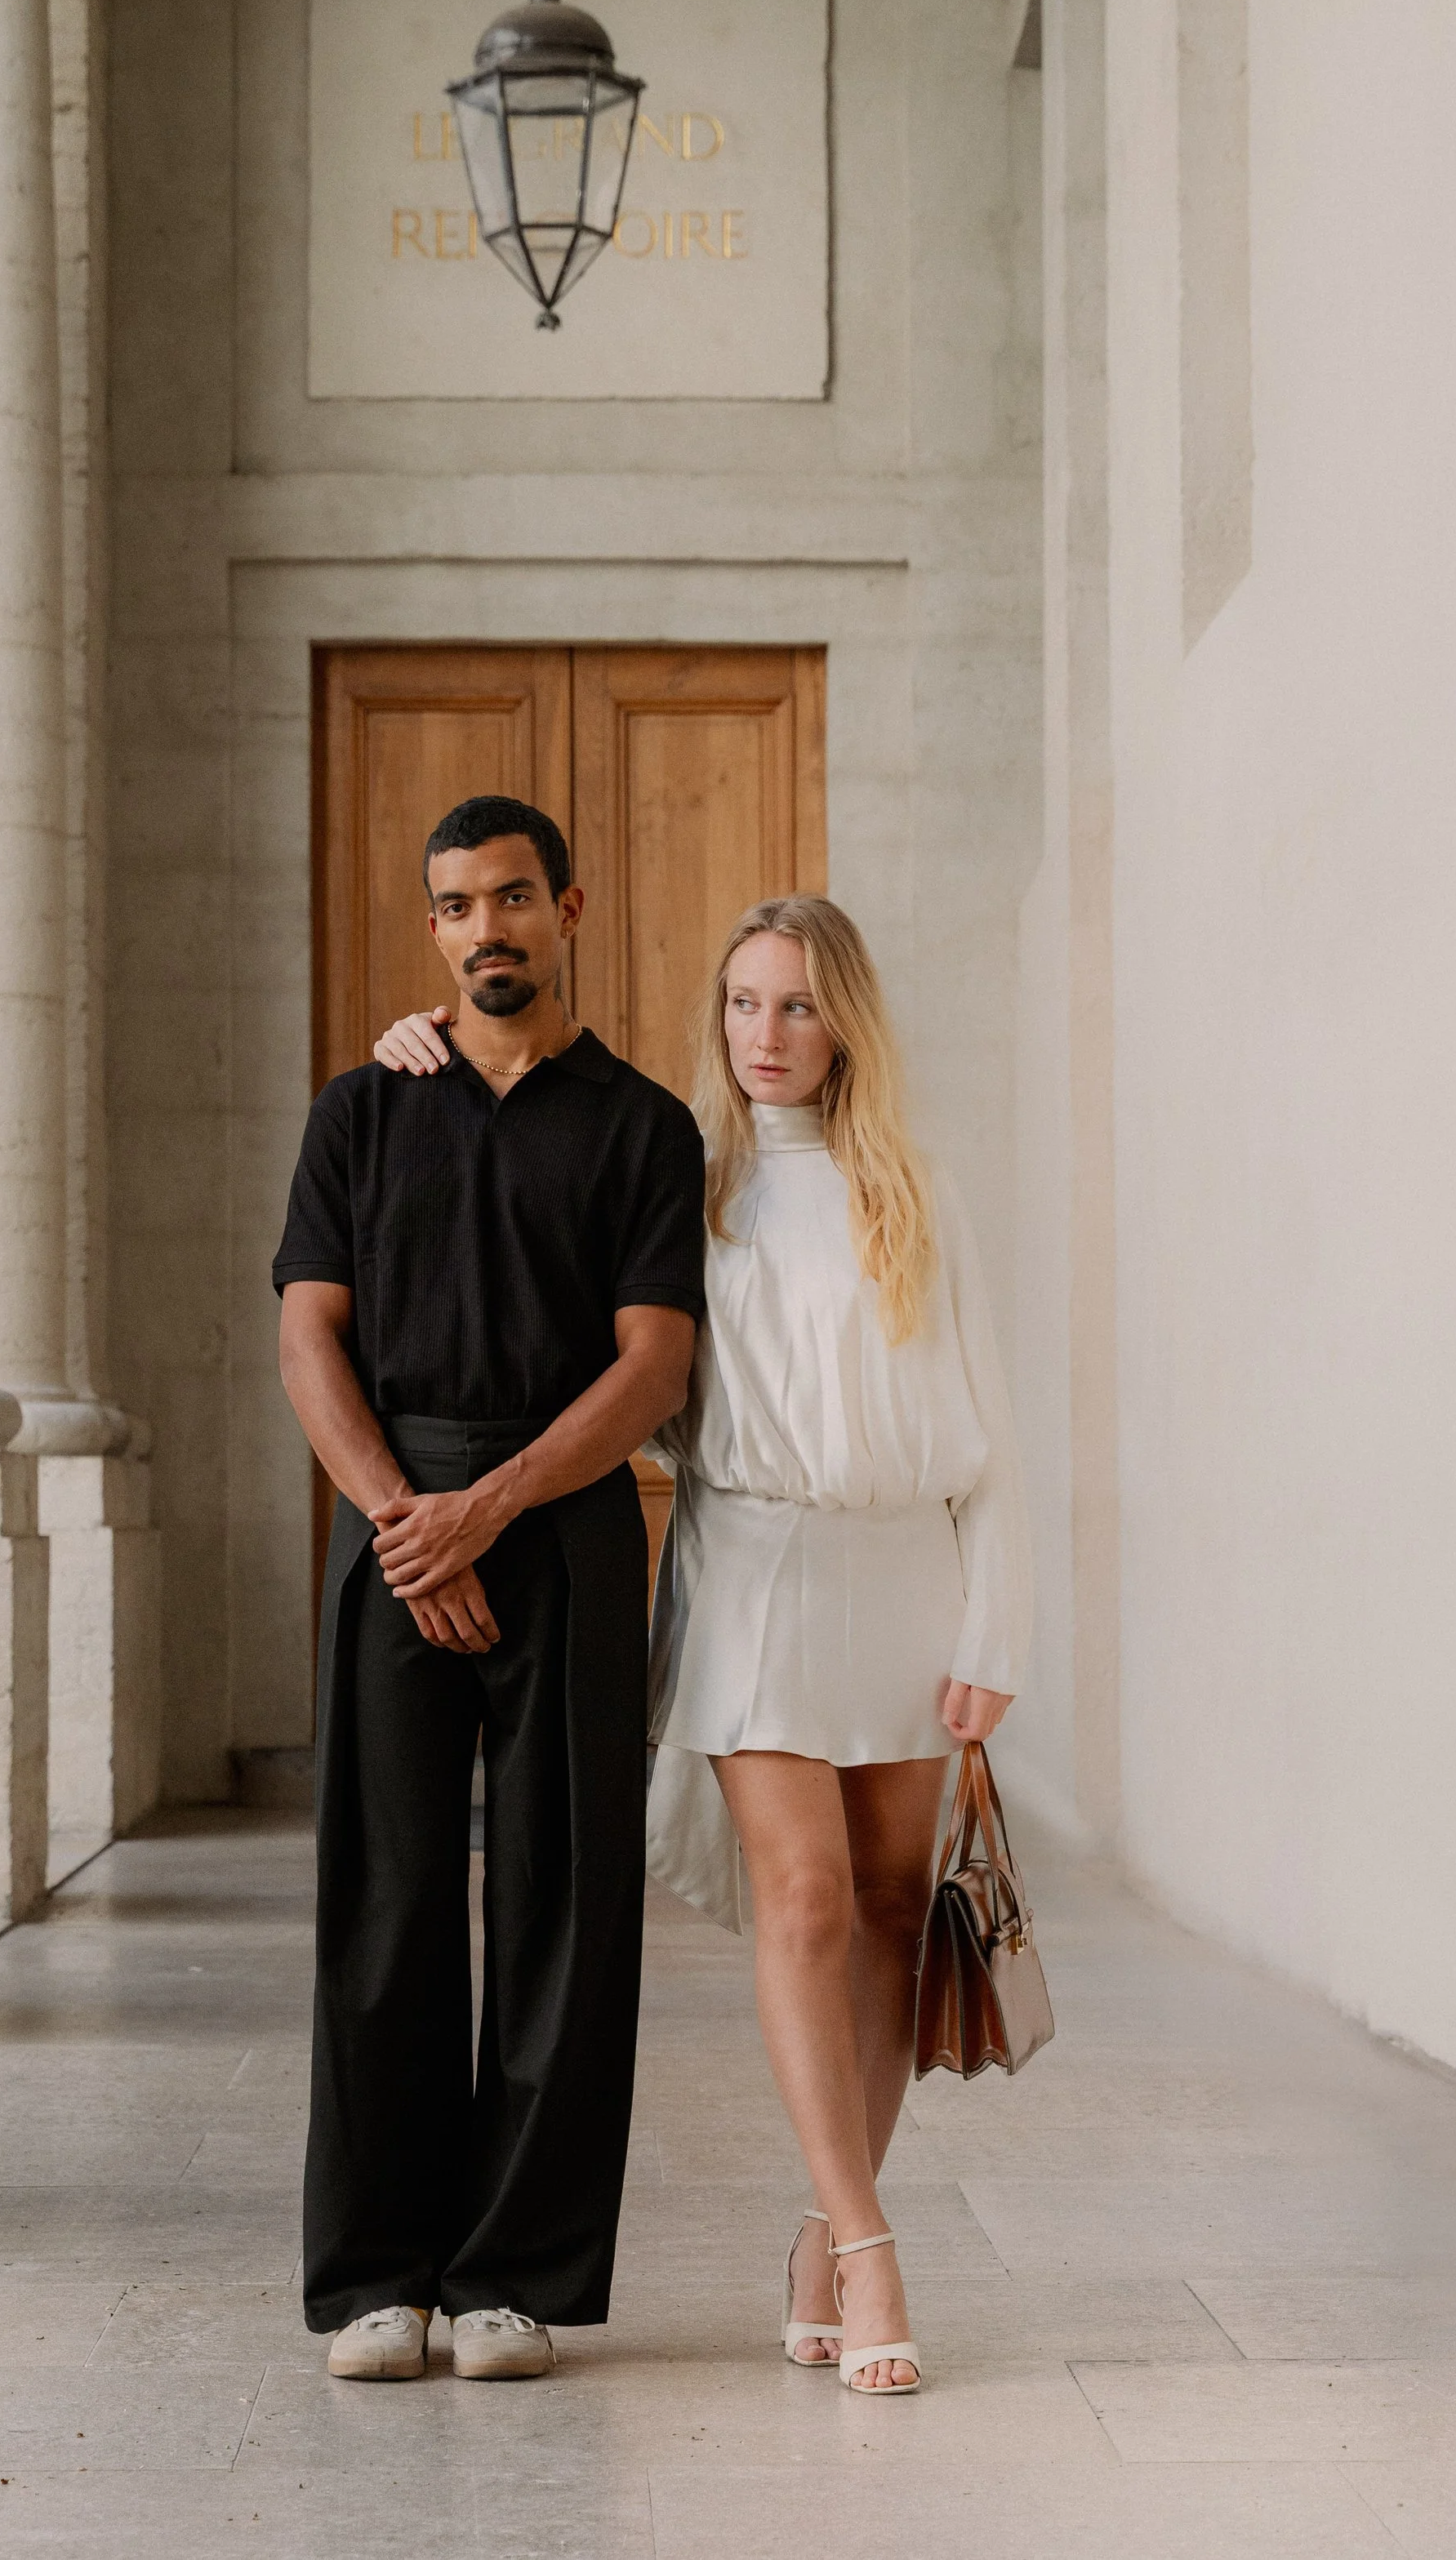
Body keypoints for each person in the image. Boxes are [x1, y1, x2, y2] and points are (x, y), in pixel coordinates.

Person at [372, 891, 1031, 2397]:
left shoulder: (918, 1189)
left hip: (906, 1572)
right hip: (747, 1565)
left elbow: (994, 1440)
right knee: (799, 1902)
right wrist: (418, 1050)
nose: (767, 1035)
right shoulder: (682, 1168)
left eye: (797, 1005)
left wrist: (999, 1620)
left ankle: (818, 2222)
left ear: (844, 1020)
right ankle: (869, 2244)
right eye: (743, 1003)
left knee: (881, 1913)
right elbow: (543, 1275)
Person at [274, 793, 705, 2384]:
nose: (485, 930)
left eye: (512, 899)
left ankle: (514, 2276)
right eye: (455, 907)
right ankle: (375, 2274)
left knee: (563, 1903)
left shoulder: (644, 1125)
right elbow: (306, 1333)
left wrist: (490, 1513)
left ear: (568, 906)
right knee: (383, 1899)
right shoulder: (361, 1111)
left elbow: (650, 1364)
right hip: (392, 1518)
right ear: (435, 927)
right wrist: (405, 1521)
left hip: (569, 1522)